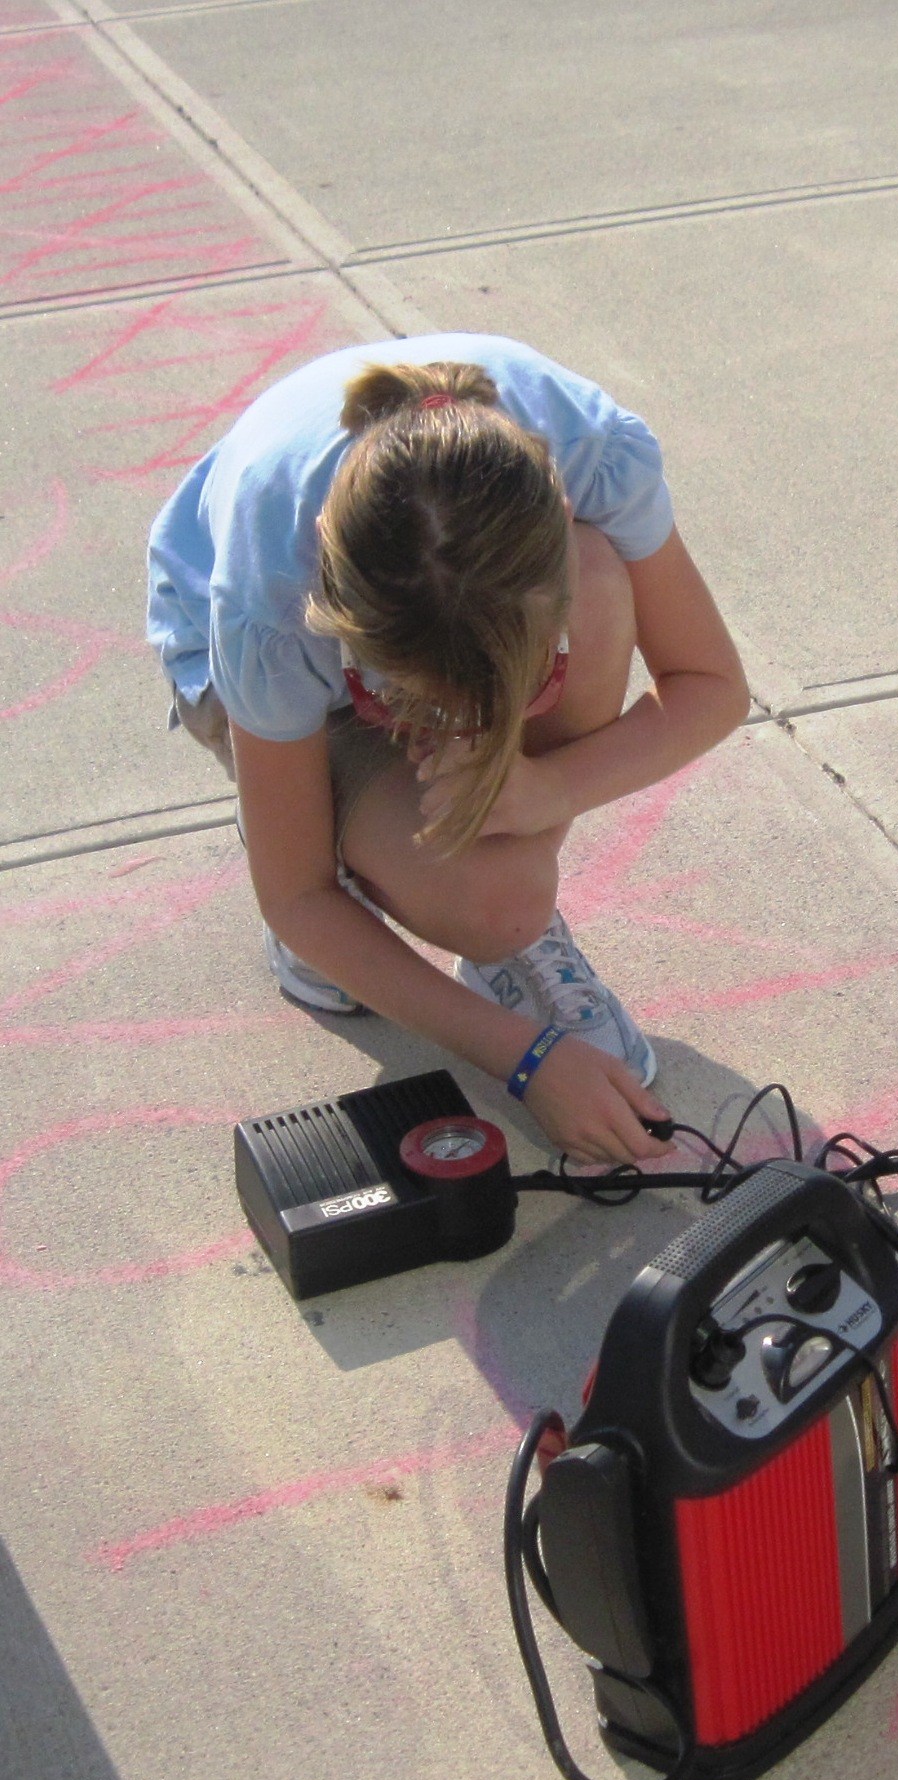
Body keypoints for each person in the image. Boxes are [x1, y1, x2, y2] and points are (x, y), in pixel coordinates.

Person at [148, 336, 750, 1167]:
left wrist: (545, 788)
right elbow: (293, 896)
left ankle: (503, 925)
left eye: (514, 683)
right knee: (465, 899)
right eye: (409, 698)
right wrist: (524, 1057)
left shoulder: (590, 452)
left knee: (601, 579)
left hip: (442, 602)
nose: (455, 723)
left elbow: (711, 684)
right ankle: (330, 841)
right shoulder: (272, 602)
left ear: (555, 493)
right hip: (285, 682)